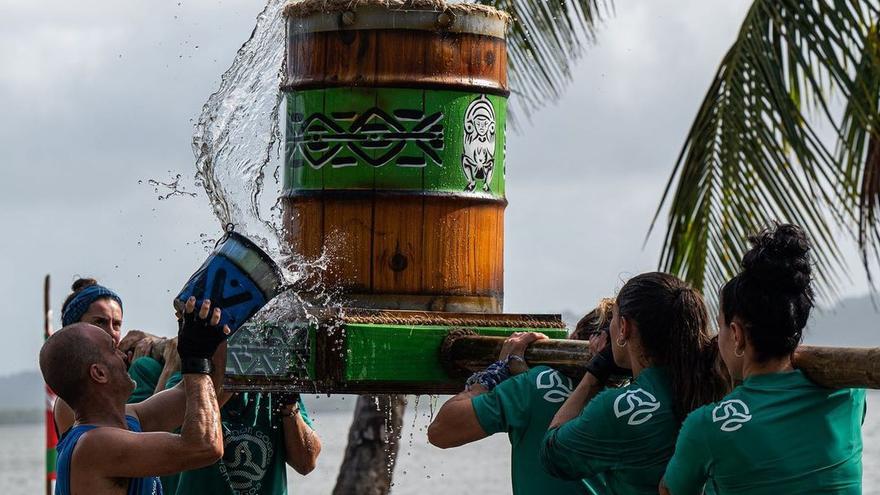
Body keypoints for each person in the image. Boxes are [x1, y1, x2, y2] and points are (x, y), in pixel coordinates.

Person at [660, 224, 866, 495]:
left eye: (720, 326)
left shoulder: (707, 425)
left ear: (736, 335)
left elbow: (670, 491)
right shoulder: (849, 393)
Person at [541, 272, 729, 494]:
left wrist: (593, 376)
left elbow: (553, 453)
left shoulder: (618, 408)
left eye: (613, 318)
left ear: (624, 327)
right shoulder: (717, 384)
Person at [426, 300, 616, 495]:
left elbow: (441, 431)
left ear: (575, 338)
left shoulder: (538, 384)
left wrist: (497, 373)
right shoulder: (642, 394)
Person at [41, 297, 229, 494]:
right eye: (113, 350)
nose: (124, 356)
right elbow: (204, 447)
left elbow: (192, 394)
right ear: (99, 373)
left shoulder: (129, 419)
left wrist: (212, 331)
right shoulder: (95, 445)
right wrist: (195, 358)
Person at [54, 279, 181, 434]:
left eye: (117, 325)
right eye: (100, 322)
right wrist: (169, 370)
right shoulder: (72, 399)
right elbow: (134, 448)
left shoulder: (123, 374)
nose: (111, 333)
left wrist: (155, 342)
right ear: (74, 330)